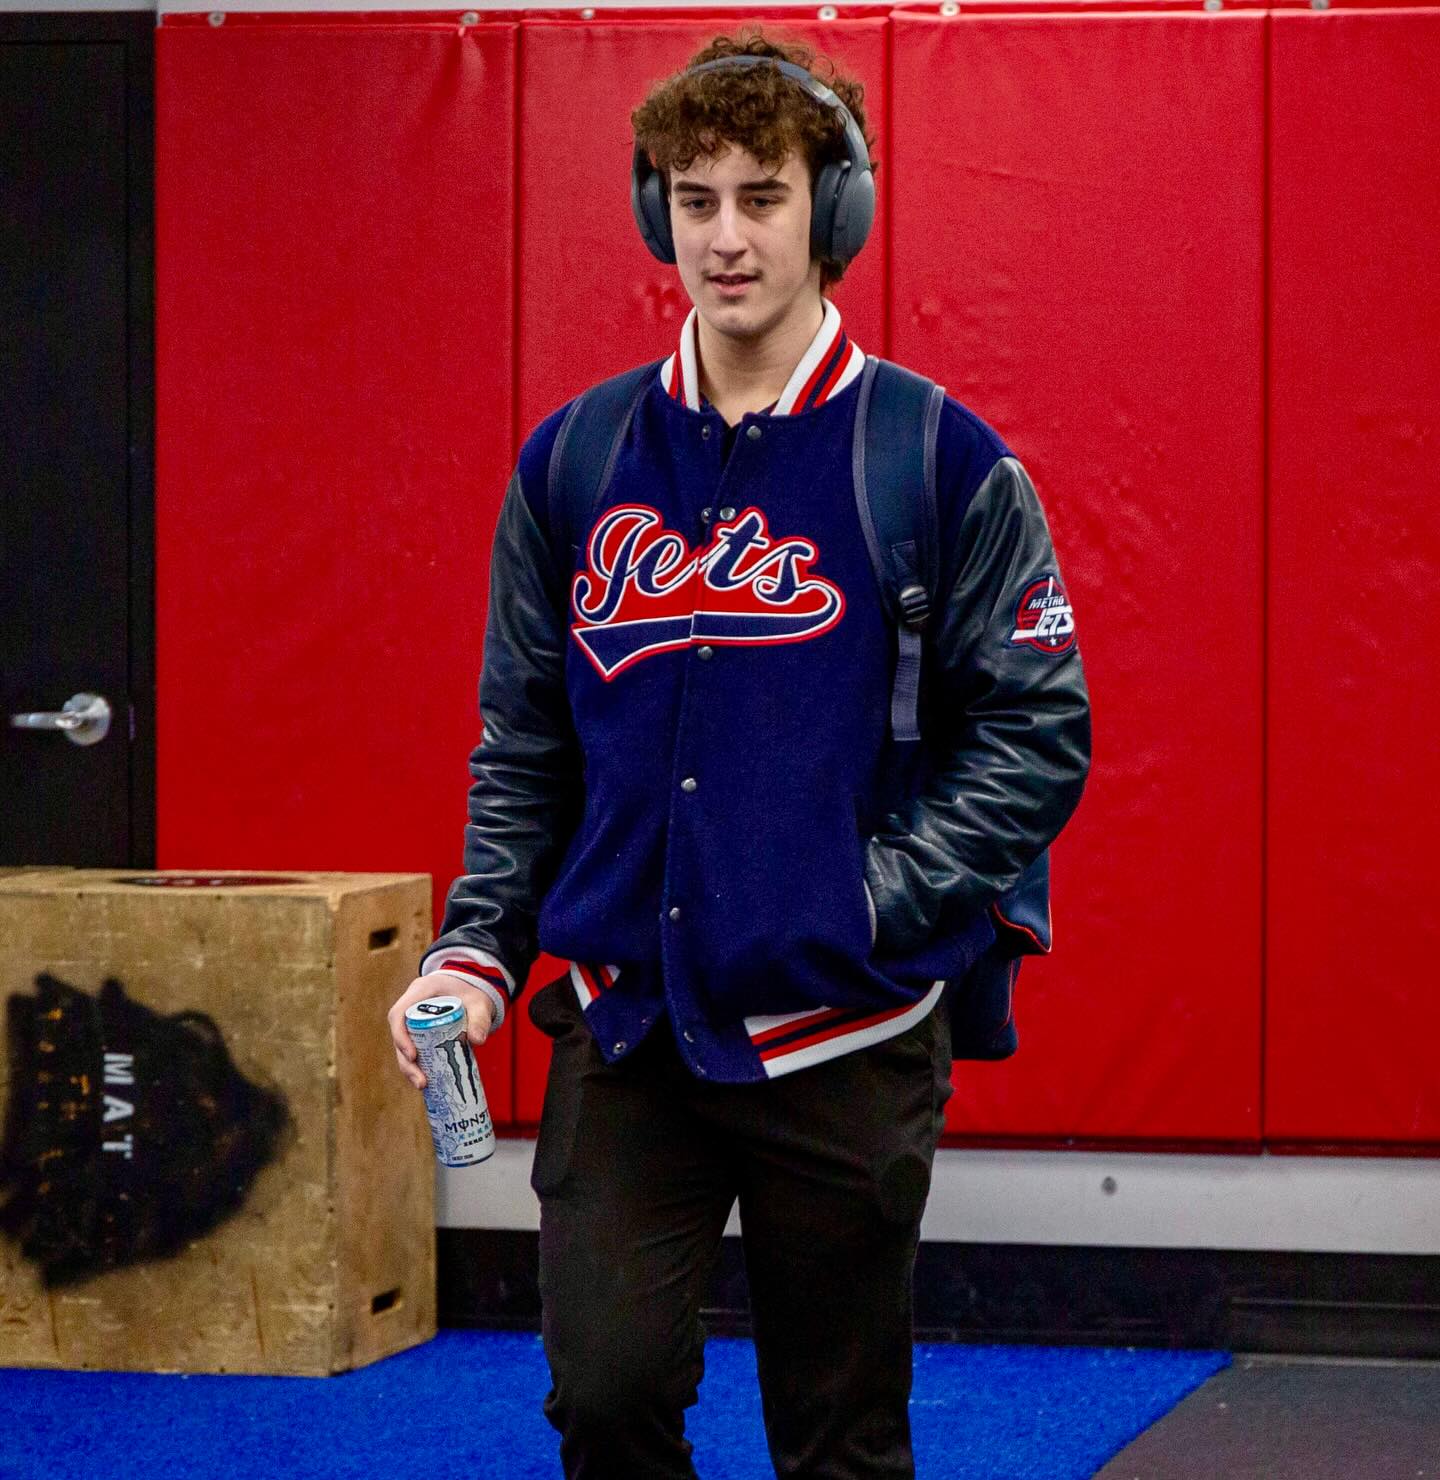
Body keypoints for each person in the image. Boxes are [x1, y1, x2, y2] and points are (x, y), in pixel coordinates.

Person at [388, 29, 1091, 1479]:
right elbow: (525, 737)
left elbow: (1037, 733)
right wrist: (474, 945)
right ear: (658, 212)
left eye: (761, 196)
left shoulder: (938, 458)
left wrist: (864, 902)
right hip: (627, 1023)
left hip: (844, 1034)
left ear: (830, 212)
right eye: (690, 197)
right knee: (606, 1396)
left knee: (838, 1436)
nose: (723, 236)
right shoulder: (576, 460)